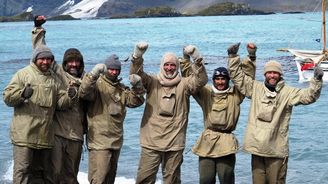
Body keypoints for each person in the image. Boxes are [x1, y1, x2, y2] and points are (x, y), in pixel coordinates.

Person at [227, 43, 323, 184]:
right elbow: (238, 78)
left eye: (275, 72)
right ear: (265, 74)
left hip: (277, 151)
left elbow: (309, 96)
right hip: (257, 150)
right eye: (269, 72)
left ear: (280, 74)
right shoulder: (255, 88)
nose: (272, 75)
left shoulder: (288, 92)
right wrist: (233, 57)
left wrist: (317, 80)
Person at [130, 42, 208, 184]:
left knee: (172, 180)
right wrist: (137, 56)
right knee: (144, 179)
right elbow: (136, 76)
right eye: (166, 64)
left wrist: (197, 59)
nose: (169, 68)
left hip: (175, 142)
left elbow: (201, 80)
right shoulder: (152, 81)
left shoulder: (184, 84)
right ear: (161, 65)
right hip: (151, 142)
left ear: (177, 67)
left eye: (173, 65)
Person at [180, 43, 257, 184]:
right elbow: (191, 82)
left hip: (226, 142)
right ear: (213, 80)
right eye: (217, 79)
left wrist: (249, 56)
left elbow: (246, 81)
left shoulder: (235, 94)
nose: (220, 82)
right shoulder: (206, 93)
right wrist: (185, 59)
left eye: (223, 79)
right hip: (207, 141)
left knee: (226, 178)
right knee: (205, 179)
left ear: (227, 80)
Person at [3, 44, 75, 183]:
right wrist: (22, 94)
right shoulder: (23, 74)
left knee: (41, 174)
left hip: (45, 136)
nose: (46, 62)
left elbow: (60, 103)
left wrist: (70, 96)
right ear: (35, 59)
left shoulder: (54, 79)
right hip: (24, 135)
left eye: (49, 59)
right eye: (42, 59)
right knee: (22, 172)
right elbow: (7, 97)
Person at [31, 16, 87, 183]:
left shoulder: (87, 81)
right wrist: (38, 28)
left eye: (77, 61)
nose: (74, 65)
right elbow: (42, 51)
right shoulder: (58, 74)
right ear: (64, 63)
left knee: (71, 176)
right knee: (53, 173)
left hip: (76, 135)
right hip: (56, 133)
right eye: (70, 61)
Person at [79, 54, 145, 184]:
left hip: (116, 141)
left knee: (110, 178)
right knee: (99, 178)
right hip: (99, 142)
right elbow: (83, 92)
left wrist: (137, 86)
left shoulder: (120, 88)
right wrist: (93, 74)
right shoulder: (97, 85)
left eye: (117, 70)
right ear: (105, 69)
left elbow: (135, 102)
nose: (114, 72)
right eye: (111, 69)